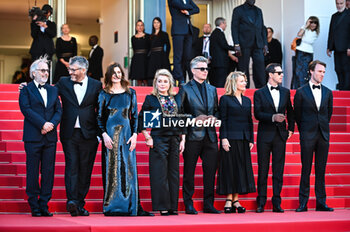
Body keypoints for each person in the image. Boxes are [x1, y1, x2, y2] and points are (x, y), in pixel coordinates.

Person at [55, 56, 102, 216]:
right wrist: (28, 86)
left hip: (89, 134)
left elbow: (100, 110)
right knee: (72, 166)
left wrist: (100, 134)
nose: (70, 72)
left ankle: (80, 203)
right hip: (69, 133)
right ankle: (72, 201)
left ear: (83, 70)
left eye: (73, 69)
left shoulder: (96, 85)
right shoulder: (63, 82)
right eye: (70, 69)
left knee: (85, 170)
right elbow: (49, 91)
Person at [19, 56, 62, 217]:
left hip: (50, 138)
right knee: (32, 171)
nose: (45, 73)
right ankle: (34, 205)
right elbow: (26, 109)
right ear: (33, 73)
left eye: (47, 71)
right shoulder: (26, 89)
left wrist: (51, 124)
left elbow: (59, 110)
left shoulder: (53, 89)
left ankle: (44, 204)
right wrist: (42, 124)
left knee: (48, 172)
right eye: (42, 70)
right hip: (32, 137)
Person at [177, 56, 220, 214]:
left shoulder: (212, 89)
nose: (205, 71)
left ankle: (209, 204)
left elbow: (216, 109)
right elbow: (178, 113)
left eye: (206, 68)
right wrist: (194, 119)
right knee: (189, 172)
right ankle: (188, 203)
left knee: (210, 172)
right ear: (193, 70)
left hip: (210, 136)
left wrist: (215, 117)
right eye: (202, 69)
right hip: (192, 136)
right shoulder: (185, 88)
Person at [139, 69, 185, 216]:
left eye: (165, 81)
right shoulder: (150, 99)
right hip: (158, 138)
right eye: (160, 81)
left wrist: (183, 138)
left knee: (173, 173)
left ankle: (172, 206)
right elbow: (141, 119)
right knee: (159, 174)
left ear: (170, 83)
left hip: (174, 139)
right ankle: (163, 206)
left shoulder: (176, 98)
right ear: (155, 83)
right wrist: (148, 137)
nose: (162, 84)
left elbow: (182, 119)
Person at [96, 63, 138, 216]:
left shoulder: (130, 93)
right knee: (112, 170)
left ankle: (130, 207)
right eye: (113, 72)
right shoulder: (103, 94)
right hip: (110, 137)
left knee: (127, 170)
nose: (116, 75)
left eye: (119, 72)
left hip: (127, 136)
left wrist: (135, 135)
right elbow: (99, 117)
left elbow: (135, 117)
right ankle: (112, 206)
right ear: (108, 75)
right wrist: (104, 135)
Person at [254, 63, 295, 213]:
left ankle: (277, 202)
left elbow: (290, 111)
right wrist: (272, 117)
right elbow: (257, 114)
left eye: (282, 72)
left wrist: (290, 128)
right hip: (264, 136)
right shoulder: (259, 93)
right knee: (263, 170)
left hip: (280, 136)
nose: (282, 75)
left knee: (278, 170)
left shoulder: (285, 92)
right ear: (270, 75)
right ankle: (261, 202)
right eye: (279, 73)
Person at [294, 60, 334, 212]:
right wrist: (305, 129)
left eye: (324, 72)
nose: (322, 74)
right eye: (319, 71)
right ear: (311, 71)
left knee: (321, 169)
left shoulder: (328, 92)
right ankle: (303, 203)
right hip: (307, 134)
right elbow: (298, 114)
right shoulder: (301, 92)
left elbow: (328, 114)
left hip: (323, 135)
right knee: (306, 169)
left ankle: (321, 202)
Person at [216, 72, 255, 214]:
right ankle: (228, 198)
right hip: (230, 138)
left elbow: (249, 121)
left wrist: (251, 139)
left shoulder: (247, 100)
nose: (245, 83)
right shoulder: (225, 99)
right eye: (242, 81)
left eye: (245, 81)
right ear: (234, 83)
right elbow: (223, 120)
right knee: (230, 168)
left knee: (240, 169)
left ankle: (236, 199)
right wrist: (223, 138)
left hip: (244, 138)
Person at [231, 0, 268, 89]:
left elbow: (262, 27)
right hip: (244, 43)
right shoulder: (238, 10)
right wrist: (236, 44)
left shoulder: (259, 11)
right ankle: (243, 89)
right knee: (243, 68)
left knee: (260, 68)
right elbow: (234, 27)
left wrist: (265, 44)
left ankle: (261, 90)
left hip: (258, 43)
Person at [168, 0, 199, 85]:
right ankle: (179, 77)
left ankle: (184, 77)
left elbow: (197, 9)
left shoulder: (188, 0)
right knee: (178, 56)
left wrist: (188, 12)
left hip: (188, 31)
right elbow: (183, 6)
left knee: (187, 56)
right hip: (178, 31)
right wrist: (189, 7)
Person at [327, 0, 350, 90]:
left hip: (346, 48)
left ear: (345, 3)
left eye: (341, 4)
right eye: (337, 4)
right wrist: (329, 47)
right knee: (338, 68)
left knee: (347, 69)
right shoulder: (334, 16)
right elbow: (331, 32)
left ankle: (347, 89)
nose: (339, 5)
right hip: (336, 48)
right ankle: (341, 87)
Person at [293, 16, 320, 89]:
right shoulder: (305, 28)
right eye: (311, 22)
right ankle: (296, 88)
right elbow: (299, 34)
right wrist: (306, 25)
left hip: (308, 53)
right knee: (298, 71)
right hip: (300, 51)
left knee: (305, 72)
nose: (313, 24)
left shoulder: (315, 32)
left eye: (315, 23)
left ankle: (303, 89)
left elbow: (308, 40)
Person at [209, 17, 236, 88]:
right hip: (221, 63)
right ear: (222, 23)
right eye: (225, 23)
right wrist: (236, 48)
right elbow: (224, 45)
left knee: (217, 81)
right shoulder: (219, 32)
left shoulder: (214, 33)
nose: (226, 25)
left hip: (216, 62)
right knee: (221, 82)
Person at [147, 17, 171, 85]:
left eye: (158, 22)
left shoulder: (164, 34)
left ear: (160, 24)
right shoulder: (150, 36)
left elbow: (168, 46)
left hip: (161, 56)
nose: (156, 24)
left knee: (162, 73)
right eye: (154, 22)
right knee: (152, 74)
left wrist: (166, 56)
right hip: (153, 57)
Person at [130, 20, 150, 86]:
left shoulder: (147, 36)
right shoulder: (133, 38)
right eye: (138, 25)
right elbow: (133, 48)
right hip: (136, 58)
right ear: (136, 27)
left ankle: (147, 93)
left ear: (143, 27)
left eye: (141, 25)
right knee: (138, 78)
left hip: (145, 58)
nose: (140, 27)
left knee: (145, 78)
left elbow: (149, 48)